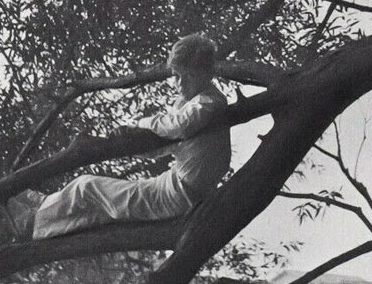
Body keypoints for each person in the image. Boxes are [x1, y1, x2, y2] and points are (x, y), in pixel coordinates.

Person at [29, 34, 229, 240]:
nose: (180, 83)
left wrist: (140, 124)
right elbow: (165, 144)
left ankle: (33, 219)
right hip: (176, 188)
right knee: (102, 206)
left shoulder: (208, 104)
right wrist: (134, 142)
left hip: (179, 194)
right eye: (176, 75)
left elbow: (179, 126)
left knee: (85, 186)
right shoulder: (191, 103)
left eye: (188, 76)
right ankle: (41, 220)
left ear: (207, 74)